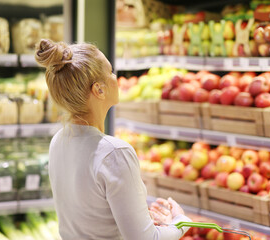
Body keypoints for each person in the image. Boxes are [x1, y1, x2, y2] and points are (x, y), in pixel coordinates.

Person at [35, 39, 192, 240]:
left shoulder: (59, 140)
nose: (116, 77)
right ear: (98, 90)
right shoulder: (114, 153)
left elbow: (93, 218)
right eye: (110, 72)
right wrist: (179, 222)